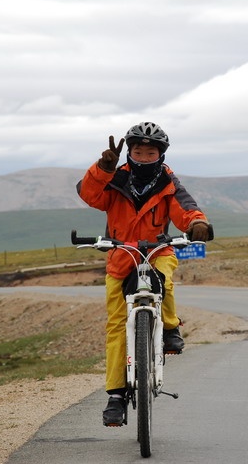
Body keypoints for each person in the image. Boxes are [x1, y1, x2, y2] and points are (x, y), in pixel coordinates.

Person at [76, 121, 213, 426]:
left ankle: (170, 327)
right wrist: (103, 167)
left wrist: (196, 224)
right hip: (121, 255)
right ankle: (115, 396)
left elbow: (185, 209)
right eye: (138, 151)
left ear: (160, 155)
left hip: (157, 250)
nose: (144, 156)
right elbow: (89, 195)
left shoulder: (168, 181)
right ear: (129, 152)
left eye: (151, 152)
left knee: (163, 278)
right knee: (115, 326)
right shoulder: (115, 178)